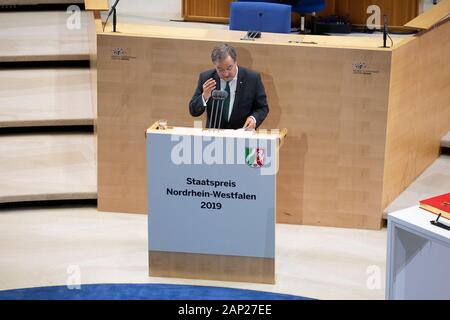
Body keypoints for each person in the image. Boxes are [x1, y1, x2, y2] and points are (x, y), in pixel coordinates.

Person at [189, 43, 269, 130]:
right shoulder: (207, 78)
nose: (225, 74)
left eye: (229, 68)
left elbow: (262, 108)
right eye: (220, 69)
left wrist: (254, 119)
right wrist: (204, 96)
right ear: (214, 66)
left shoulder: (252, 79)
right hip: (214, 137)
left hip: (242, 136)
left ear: (235, 62)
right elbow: (194, 111)